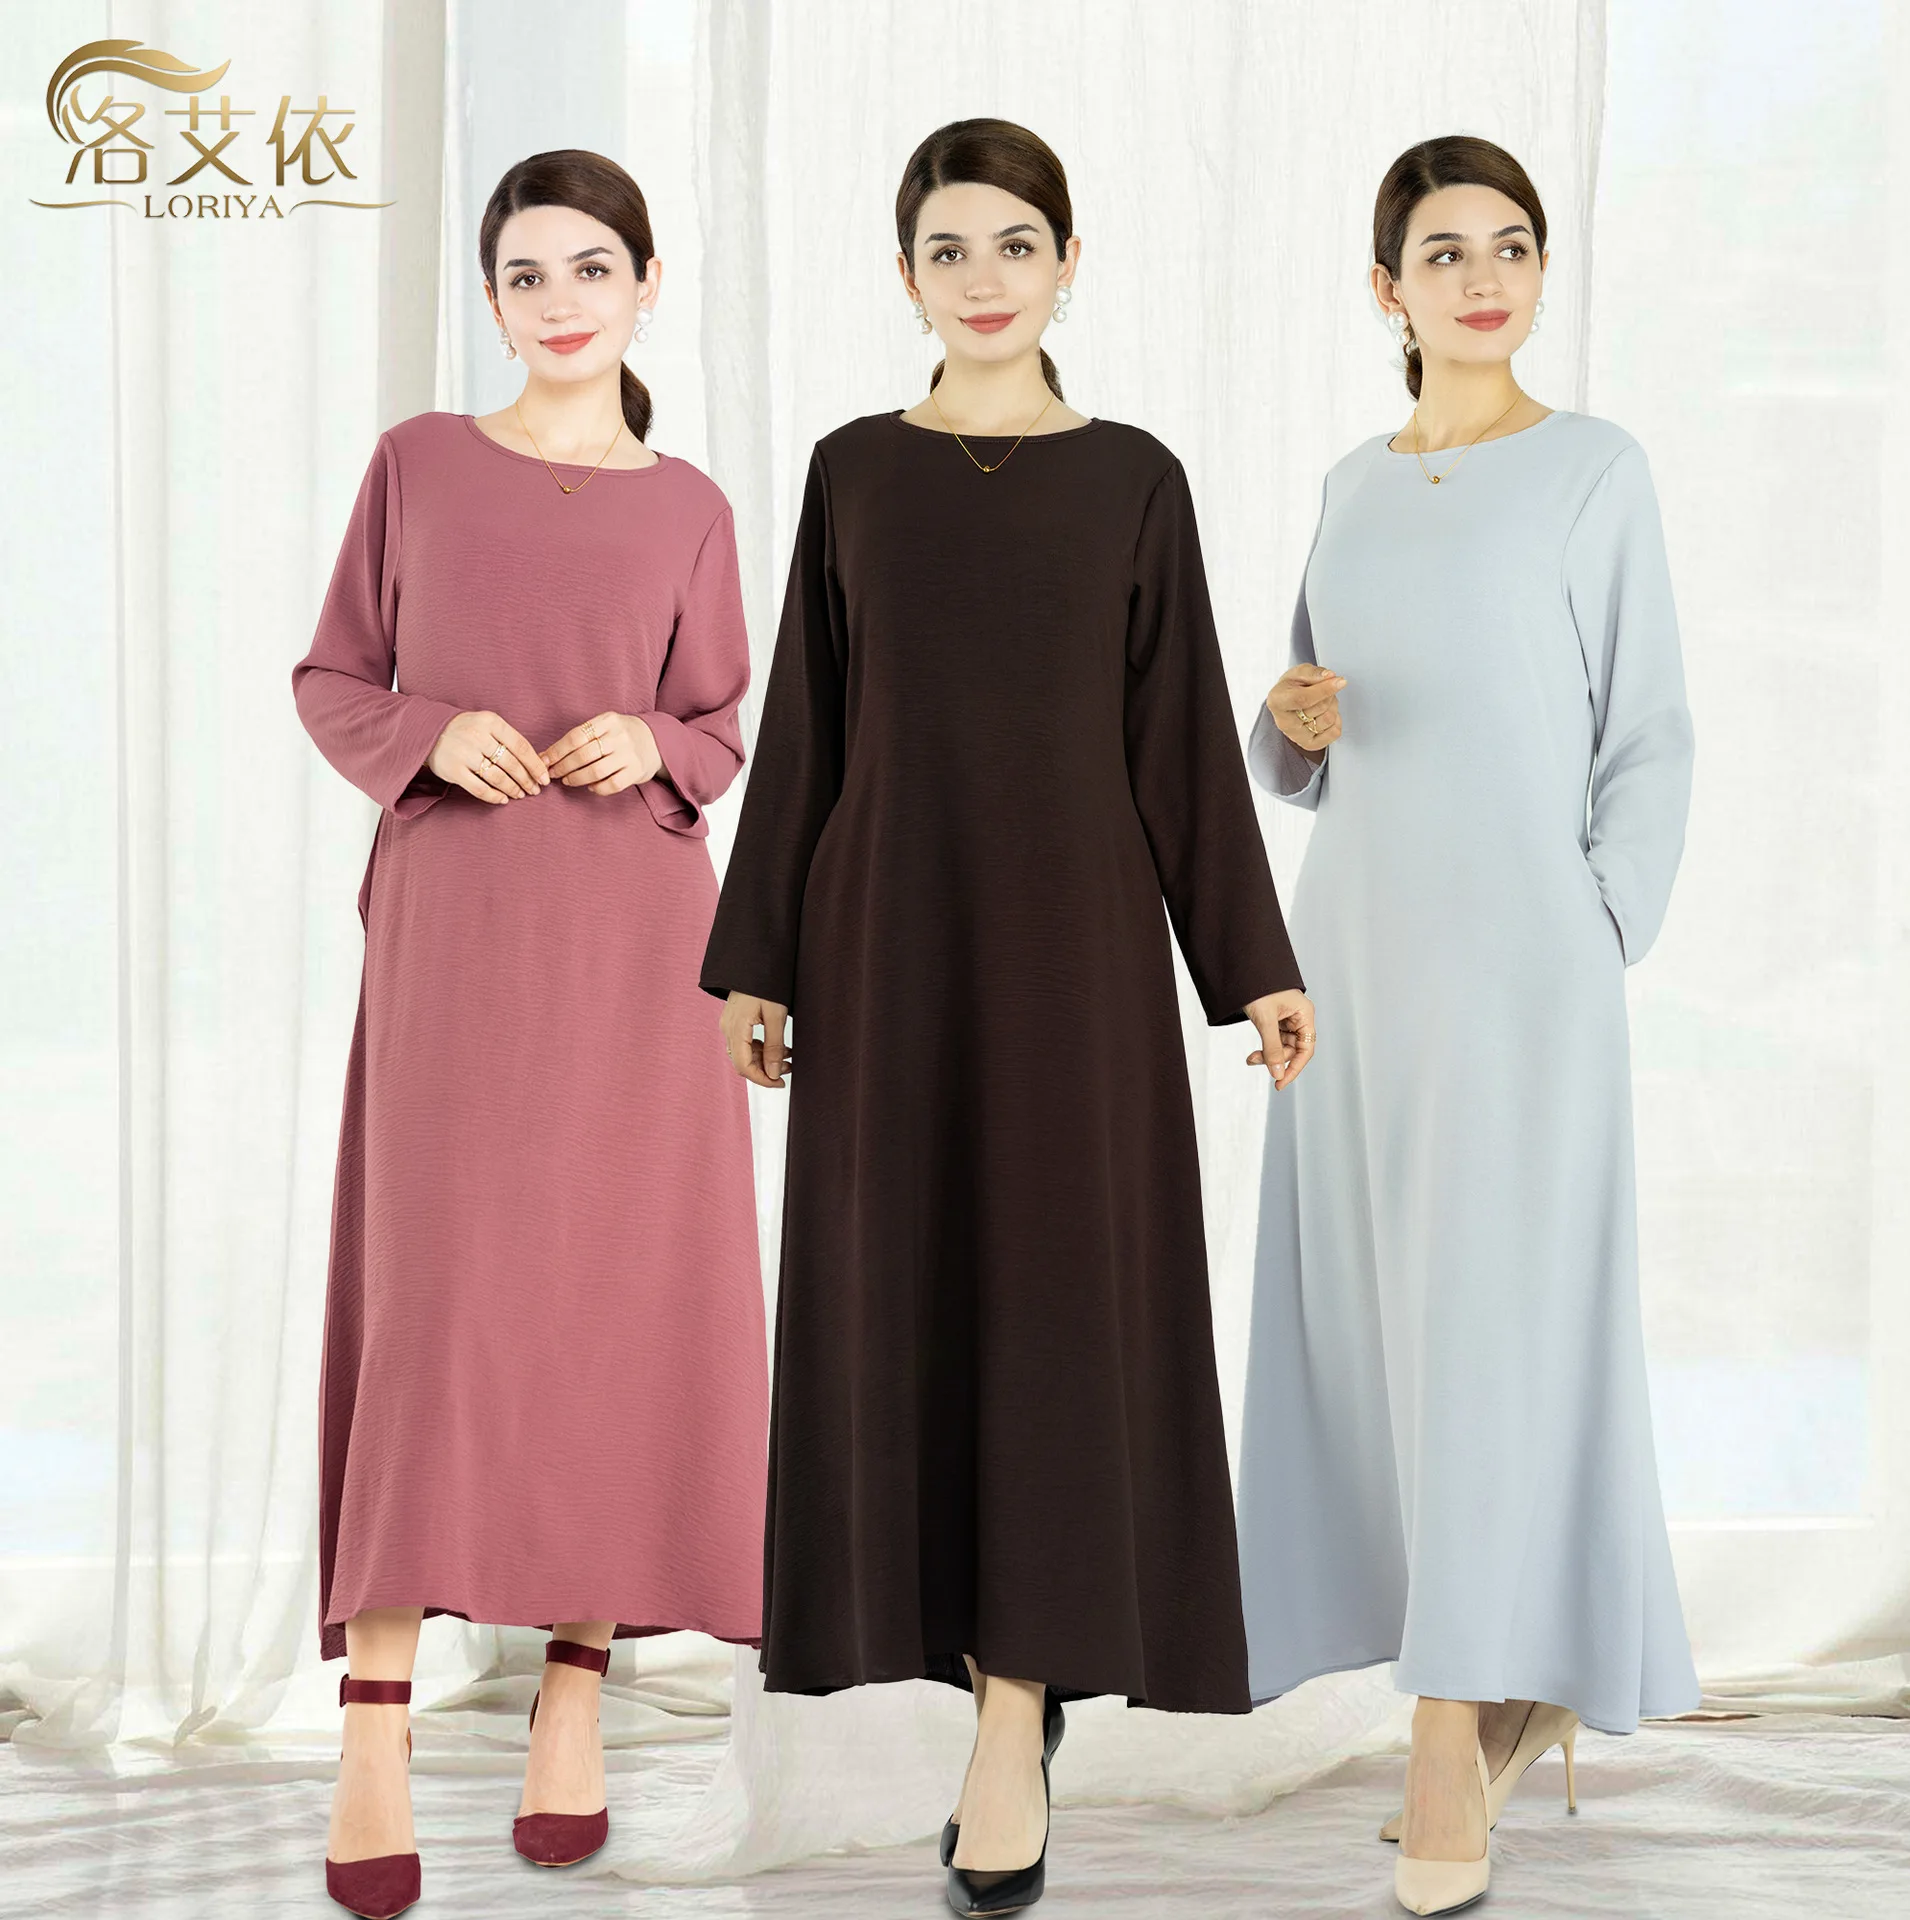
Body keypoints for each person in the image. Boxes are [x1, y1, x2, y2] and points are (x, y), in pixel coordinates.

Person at [698, 117, 1315, 1918]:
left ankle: (1016, 1712)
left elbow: (1179, 739)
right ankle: (985, 1682)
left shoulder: (1133, 478)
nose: (983, 280)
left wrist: (1253, 962)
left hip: (1076, 967)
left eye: (1014, 245)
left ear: (1068, 264)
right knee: (915, 1309)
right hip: (886, 946)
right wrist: (760, 955)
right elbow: (810, 725)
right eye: (948, 250)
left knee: (1054, 1318)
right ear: (905, 278)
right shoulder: (853, 474)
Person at [291, 150, 767, 1919]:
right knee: (440, 1310)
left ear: (644, 286)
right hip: (458, 939)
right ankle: (375, 1727)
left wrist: (656, 742)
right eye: (524, 275)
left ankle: (577, 1695)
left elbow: (722, 724)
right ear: (493, 299)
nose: (559, 302)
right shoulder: (417, 465)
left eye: (589, 270)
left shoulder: (691, 508)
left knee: (611, 1309)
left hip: (640, 951)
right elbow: (330, 677)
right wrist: (427, 731)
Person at [1233, 134, 1700, 1916]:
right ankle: (1489, 1679)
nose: (1484, 276)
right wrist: (1282, 721)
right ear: (1388, 288)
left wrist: (1602, 920)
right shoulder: (1350, 485)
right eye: (1444, 252)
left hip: (1526, 965)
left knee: (1496, 1327)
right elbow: (1309, 737)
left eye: (1511, 245)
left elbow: (1648, 726)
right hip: (1357, 960)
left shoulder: (1594, 470)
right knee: (1379, 1335)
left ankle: (1452, 1726)